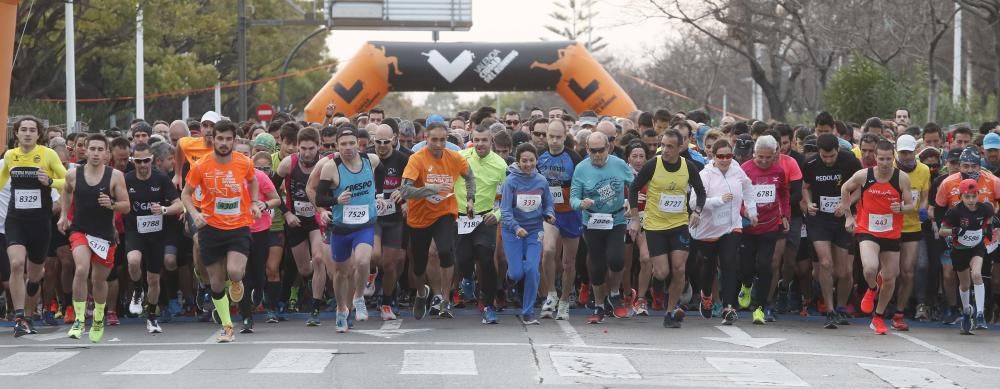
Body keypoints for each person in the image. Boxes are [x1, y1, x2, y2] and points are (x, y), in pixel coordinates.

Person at [180, 120, 262, 343]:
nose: (224, 143)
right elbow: (186, 194)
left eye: (228, 139)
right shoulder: (201, 165)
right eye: (220, 139)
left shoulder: (244, 162)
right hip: (210, 228)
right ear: (213, 139)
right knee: (216, 283)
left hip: (238, 226)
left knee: (235, 272)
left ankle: (237, 282)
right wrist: (194, 214)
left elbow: (253, 181)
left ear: (234, 141)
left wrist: (254, 202)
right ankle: (227, 326)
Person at [628, 129, 706, 328]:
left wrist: (696, 211)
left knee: (679, 268)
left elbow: (701, 191)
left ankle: (670, 313)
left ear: (680, 147)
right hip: (655, 225)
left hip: (679, 224)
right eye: (663, 145)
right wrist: (636, 219)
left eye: (670, 146)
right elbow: (634, 189)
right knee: (662, 272)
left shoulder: (688, 167)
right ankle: (658, 286)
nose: (665, 150)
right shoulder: (653, 164)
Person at [398, 122, 476, 320]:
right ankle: (422, 293)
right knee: (419, 264)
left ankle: (445, 299)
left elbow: (470, 177)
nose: (439, 144)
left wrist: (470, 199)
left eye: (443, 140)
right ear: (426, 138)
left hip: (445, 211)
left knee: (444, 250)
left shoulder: (454, 158)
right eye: (434, 139)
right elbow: (405, 191)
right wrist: (430, 189)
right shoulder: (417, 159)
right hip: (419, 217)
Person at [58, 133, 130, 343]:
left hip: (104, 234)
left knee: (99, 279)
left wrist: (112, 205)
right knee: (81, 269)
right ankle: (79, 319)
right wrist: (64, 215)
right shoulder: (73, 174)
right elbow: (66, 191)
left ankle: (98, 317)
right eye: (93, 149)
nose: (96, 154)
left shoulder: (115, 176)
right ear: (85, 150)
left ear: (107, 154)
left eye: (100, 150)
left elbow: (126, 206)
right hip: (80, 229)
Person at [1, 116, 68, 337]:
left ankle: (29, 316)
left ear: (38, 134)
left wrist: (49, 181)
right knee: (17, 263)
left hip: (40, 222)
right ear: (16, 134)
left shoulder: (47, 155)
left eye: (32, 130)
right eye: (23, 130)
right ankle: (19, 316)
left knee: (36, 275)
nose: (28, 133)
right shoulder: (10, 156)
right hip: (16, 220)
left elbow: (68, 180)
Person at [840, 139, 914, 335]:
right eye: (881, 158)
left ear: (894, 157)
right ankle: (872, 289)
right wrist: (848, 216)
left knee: (890, 277)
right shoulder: (863, 175)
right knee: (870, 268)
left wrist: (902, 208)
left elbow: (910, 205)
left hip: (891, 232)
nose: (885, 163)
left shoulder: (902, 178)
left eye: (889, 159)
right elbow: (845, 189)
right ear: (875, 157)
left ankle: (878, 317)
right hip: (867, 230)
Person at [314, 127, 384, 332]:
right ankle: (341, 309)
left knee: (363, 261)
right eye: (343, 144)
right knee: (340, 273)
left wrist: (377, 197)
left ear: (358, 143)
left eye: (351, 143)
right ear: (337, 146)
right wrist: (336, 199)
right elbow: (319, 198)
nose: (347, 148)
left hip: (365, 224)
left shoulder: (371, 160)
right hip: (341, 228)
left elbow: (377, 179)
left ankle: (359, 297)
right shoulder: (330, 168)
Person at [690, 139, 756, 325]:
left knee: (729, 263)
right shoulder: (705, 175)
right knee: (709, 267)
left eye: (729, 156)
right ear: (713, 156)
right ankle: (706, 296)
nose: (725, 160)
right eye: (721, 156)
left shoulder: (737, 170)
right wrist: (719, 200)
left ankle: (728, 307)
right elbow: (694, 202)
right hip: (709, 227)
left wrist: (752, 211)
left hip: (732, 225)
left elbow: (749, 189)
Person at [570, 132, 634, 323]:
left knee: (616, 259)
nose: (597, 155)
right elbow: (573, 198)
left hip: (616, 219)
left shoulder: (619, 165)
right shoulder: (581, 169)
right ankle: (599, 305)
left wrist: (631, 202)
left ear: (609, 148)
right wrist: (581, 203)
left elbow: (635, 186)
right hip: (592, 221)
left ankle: (614, 293)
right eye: (593, 151)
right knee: (597, 266)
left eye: (601, 150)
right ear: (587, 149)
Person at [802, 134, 862, 329]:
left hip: (841, 219)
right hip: (819, 219)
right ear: (819, 152)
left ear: (838, 150)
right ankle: (829, 310)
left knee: (843, 271)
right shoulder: (810, 163)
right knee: (825, 263)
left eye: (832, 156)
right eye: (824, 156)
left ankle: (842, 307)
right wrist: (809, 202)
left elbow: (860, 187)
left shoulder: (849, 160)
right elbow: (805, 186)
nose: (828, 160)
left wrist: (846, 205)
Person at [123, 143, 183, 334]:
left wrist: (164, 210)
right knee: (133, 262)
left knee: (154, 278)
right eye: (138, 161)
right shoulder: (127, 179)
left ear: (152, 160)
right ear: (133, 161)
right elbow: (119, 203)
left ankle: (152, 317)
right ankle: (138, 290)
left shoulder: (161, 179)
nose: (142, 165)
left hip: (156, 234)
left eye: (146, 160)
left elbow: (179, 205)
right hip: (135, 230)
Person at [277, 126, 329, 326]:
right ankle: (314, 284)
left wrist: (324, 210)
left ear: (318, 147)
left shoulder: (325, 164)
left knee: (318, 258)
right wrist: (287, 213)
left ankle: (315, 308)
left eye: (311, 148)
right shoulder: (288, 164)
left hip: (317, 219)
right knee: (305, 269)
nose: (307, 153)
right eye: (303, 148)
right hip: (295, 220)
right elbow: (271, 190)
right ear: (298, 147)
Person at [455, 125, 507, 323]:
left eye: (484, 140)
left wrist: (498, 214)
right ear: (471, 140)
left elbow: (508, 197)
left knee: (486, 259)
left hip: (486, 218)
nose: (480, 144)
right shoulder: (460, 158)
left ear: (491, 141)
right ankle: (467, 279)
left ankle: (489, 305)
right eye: (476, 140)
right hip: (462, 217)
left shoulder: (500, 165)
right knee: (463, 259)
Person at [500, 143, 555, 324]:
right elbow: (505, 211)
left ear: (536, 161)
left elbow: (548, 204)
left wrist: (549, 214)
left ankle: (528, 312)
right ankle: (508, 281)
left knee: (532, 269)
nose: (528, 164)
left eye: (531, 160)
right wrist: (516, 228)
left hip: (534, 231)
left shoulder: (541, 181)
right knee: (517, 273)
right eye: (524, 161)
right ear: (518, 162)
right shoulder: (511, 182)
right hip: (512, 231)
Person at [738, 135, 790, 325]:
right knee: (747, 266)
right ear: (754, 153)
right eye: (760, 157)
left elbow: (783, 194)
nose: (764, 161)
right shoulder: (745, 170)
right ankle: (746, 285)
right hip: (748, 226)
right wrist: (746, 213)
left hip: (770, 225)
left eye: (768, 157)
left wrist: (785, 215)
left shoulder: (778, 171)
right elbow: (738, 198)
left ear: (775, 154)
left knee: (765, 265)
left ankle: (759, 308)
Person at [537, 119, 584, 320]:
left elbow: (581, 185)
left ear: (565, 137)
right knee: (547, 251)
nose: (554, 141)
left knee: (568, 262)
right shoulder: (540, 157)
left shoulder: (574, 158)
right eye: (551, 136)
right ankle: (551, 294)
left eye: (558, 137)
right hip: (550, 213)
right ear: (546, 136)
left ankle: (565, 300)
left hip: (571, 214)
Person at [940, 179, 994, 334]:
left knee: (977, 274)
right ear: (961, 197)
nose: (971, 200)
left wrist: (988, 227)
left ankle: (980, 314)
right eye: (967, 197)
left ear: (978, 195)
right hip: (959, 249)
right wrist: (955, 231)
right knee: (964, 284)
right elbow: (942, 231)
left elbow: (990, 215)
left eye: (973, 196)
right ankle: (966, 311)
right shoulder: (955, 212)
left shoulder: (985, 208)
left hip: (977, 247)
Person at [238, 151, 281, 333]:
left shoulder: (259, 176)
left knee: (258, 272)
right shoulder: (227, 177)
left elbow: (276, 199)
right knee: (242, 274)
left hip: (259, 231)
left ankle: (259, 291)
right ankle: (246, 317)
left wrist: (264, 205)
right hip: (236, 231)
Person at [370, 124, 409, 320]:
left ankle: (386, 301)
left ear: (394, 140)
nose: (382, 146)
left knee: (390, 265)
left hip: (393, 218)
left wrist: (404, 195)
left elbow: (412, 183)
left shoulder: (402, 159)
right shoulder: (366, 158)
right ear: (373, 141)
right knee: (375, 255)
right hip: (373, 217)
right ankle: (370, 273)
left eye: (386, 142)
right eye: (378, 142)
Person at [892, 134, 930, 331]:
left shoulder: (923, 170)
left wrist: (922, 208)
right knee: (892, 272)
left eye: (909, 152)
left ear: (915, 151)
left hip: (912, 227)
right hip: (891, 226)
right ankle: (885, 305)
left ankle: (900, 311)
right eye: (902, 153)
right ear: (897, 152)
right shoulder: (889, 168)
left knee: (908, 271)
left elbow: (924, 196)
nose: (906, 156)